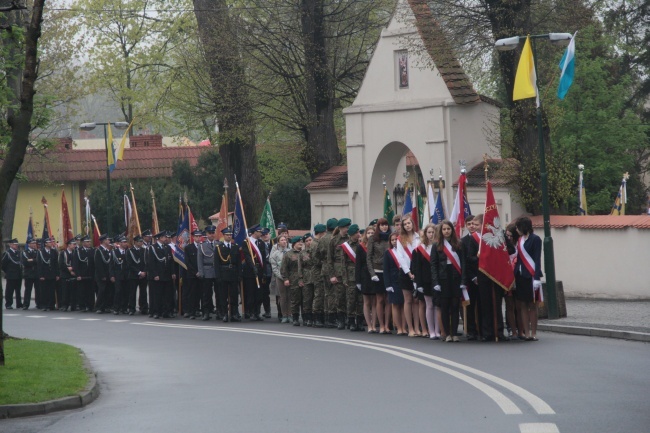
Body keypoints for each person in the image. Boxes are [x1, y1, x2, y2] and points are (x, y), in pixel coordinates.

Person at [431, 220, 466, 342]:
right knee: (445, 306)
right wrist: (435, 282)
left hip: (455, 277)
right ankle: (447, 334)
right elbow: (433, 265)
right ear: (441, 231)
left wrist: (463, 280)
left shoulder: (459, 244)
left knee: (455, 305)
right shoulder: (436, 245)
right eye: (444, 229)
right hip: (443, 278)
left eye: (448, 229)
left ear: (452, 230)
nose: (446, 231)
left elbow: (463, 263)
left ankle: (455, 333)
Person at [514, 216, 542, 341]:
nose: (516, 229)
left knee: (532, 304)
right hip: (520, 276)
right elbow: (519, 259)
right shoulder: (519, 240)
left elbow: (537, 259)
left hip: (531, 276)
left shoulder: (535, 239)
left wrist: (536, 277)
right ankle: (526, 332)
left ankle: (534, 333)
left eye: (518, 227)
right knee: (523, 305)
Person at [414, 223, 440, 339]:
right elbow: (417, 267)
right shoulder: (420, 249)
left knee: (437, 305)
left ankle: (437, 330)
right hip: (425, 280)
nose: (431, 234)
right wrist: (418, 283)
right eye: (429, 232)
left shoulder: (440, 246)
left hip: (437, 280)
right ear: (425, 234)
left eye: (433, 232)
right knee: (429, 305)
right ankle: (431, 331)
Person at [397, 216, 421, 337]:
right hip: (405, 272)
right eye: (405, 224)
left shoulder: (419, 237)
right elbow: (400, 257)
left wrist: (416, 271)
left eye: (409, 223)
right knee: (408, 300)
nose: (407, 225)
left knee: (417, 300)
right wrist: (408, 272)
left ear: (412, 224)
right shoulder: (400, 239)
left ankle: (417, 328)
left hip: (417, 270)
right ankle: (410, 328)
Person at [367, 218, 391, 334]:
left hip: (389, 272)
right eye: (382, 225)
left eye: (386, 225)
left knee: (388, 299)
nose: (384, 227)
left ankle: (387, 325)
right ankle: (381, 325)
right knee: (380, 299)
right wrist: (372, 273)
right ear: (378, 227)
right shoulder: (373, 239)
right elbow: (369, 258)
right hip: (377, 271)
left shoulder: (392, 237)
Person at [214, 226, 242, 322]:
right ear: (223, 236)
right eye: (227, 235)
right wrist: (218, 276)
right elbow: (216, 263)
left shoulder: (235, 247)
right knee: (223, 296)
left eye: (230, 235)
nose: (229, 236)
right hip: (223, 274)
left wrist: (239, 274)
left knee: (234, 295)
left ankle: (234, 314)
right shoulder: (218, 248)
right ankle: (225, 314)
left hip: (233, 273)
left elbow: (238, 262)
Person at [461, 214, 482, 340]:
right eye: (469, 224)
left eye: (473, 224)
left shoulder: (482, 238)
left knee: (481, 305)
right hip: (471, 277)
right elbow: (465, 261)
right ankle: (471, 330)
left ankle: (481, 330)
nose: (471, 226)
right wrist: (473, 277)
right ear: (466, 226)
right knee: (470, 305)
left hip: (483, 277)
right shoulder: (463, 241)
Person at [147, 231, 176, 319]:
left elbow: (170, 261)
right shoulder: (153, 248)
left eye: (165, 237)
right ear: (159, 238)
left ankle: (166, 311)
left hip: (167, 275)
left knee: (167, 295)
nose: (165, 238)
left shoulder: (167, 247)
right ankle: (156, 312)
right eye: (163, 237)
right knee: (157, 295)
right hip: (158, 275)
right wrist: (155, 274)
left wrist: (173, 272)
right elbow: (151, 263)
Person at [328, 218, 351, 330]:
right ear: (341, 228)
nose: (348, 229)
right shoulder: (334, 241)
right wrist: (332, 275)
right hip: (338, 273)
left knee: (350, 296)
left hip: (350, 272)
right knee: (340, 297)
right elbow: (329, 260)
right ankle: (341, 320)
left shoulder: (351, 239)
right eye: (346, 227)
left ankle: (350, 319)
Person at [341, 224, 363, 331]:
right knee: (351, 299)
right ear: (352, 234)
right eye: (357, 233)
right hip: (350, 276)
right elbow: (343, 264)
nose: (359, 235)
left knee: (360, 299)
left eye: (359, 233)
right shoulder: (346, 246)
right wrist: (344, 279)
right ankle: (351, 321)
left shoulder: (362, 244)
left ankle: (360, 321)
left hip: (361, 275)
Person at [316, 218, 337, 327]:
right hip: (335, 268)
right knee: (334, 293)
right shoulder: (335, 238)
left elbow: (317, 255)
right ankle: (333, 317)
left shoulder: (322, 239)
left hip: (324, 268)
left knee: (327, 293)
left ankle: (327, 316)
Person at [383, 232, 405, 334]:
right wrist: (387, 284)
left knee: (404, 304)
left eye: (396, 239)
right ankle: (399, 328)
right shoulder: (388, 253)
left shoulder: (404, 251)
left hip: (403, 279)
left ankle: (404, 327)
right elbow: (386, 270)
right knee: (396, 304)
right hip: (393, 281)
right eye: (392, 240)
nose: (395, 241)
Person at [241, 225, 264, 320]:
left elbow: (262, 257)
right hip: (249, 271)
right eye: (259, 231)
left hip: (259, 270)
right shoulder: (246, 242)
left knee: (258, 292)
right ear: (255, 232)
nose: (261, 233)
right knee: (250, 292)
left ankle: (257, 312)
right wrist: (253, 267)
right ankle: (249, 312)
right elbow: (247, 256)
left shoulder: (261, 243)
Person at [356, 225, 375, 333]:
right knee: (367, 301)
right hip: (364, 275)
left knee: (375, 302)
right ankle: (369, 325)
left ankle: (374, 324)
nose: (371, 235)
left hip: (375, 274)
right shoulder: (361, 246)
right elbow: (358, 264)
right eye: (369, 233)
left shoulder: (376, 245)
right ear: (365, 235)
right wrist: (358, 281)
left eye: (372, 233)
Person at [281, 236, 304, 326]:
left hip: (305, 278)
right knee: (295, 299)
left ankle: (306, 318)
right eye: (299, 242)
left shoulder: (304, 253)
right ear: (294, 243)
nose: (301, 244)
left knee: (305, 299)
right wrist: (285, 279)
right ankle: (295, 318)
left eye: (301, 242)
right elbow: (284, 268)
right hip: (293, 279)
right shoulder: (288, 254)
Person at [197, 225, 217, 320]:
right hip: (207, 270)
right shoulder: (202, 245)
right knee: (206, 294)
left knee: (220, 293)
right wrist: (201, 272)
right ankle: (206, 312)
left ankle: (220, 311)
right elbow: (199, 260)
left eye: (213, 233)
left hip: (217, 272)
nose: (212, 235)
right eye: (210, 233)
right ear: (206, 234)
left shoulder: (219, 244)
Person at [270, 234, 291, 322]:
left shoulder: (290, 252)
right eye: (282, 240)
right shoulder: (275, 254)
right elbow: (274, 267)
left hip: (290, 277)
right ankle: (284, 315)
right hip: (280, 278)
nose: (284, 241)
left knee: (290, 296)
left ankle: (290, 314)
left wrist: (289, 277)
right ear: (278, 243)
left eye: (285, 240)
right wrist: (282, 277)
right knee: (283, 297)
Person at [309, 224, 327, 327]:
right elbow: (315, 260)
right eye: (324, 232)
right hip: (317, 272)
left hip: (318, 272)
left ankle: (319, 316)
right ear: (320, 233)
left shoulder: (316, 243)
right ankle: (316, 317)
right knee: (318, 295)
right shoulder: (315, 244)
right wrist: (325, 262)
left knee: (320, 294)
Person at [182, 230, 202, 319]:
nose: (198, 238)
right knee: (191, 293)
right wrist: (195, 272)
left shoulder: (203, 246)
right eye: (196, 236)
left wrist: (201, 272)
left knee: (199, 293)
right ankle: (191, 311)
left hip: (201, 274)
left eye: (199, 236)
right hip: (192, 274)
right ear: (193, 237)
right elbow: (188, 262)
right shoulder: (188, 248)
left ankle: (197, 309)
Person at [37, 237, 59, 311]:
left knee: (51, 290)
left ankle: (51, 305)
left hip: (52, 274)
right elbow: (39, 265)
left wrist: (57, 274)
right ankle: (44, 305)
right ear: (45, 244)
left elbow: (56, 264)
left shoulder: (53, 252)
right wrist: (41, 275)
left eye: (51, 242)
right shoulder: (41, 252)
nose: (51, 243)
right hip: (44, 274)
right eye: (49, 242)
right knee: (44, 291)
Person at [299, 233, 315, 326]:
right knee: (307, 299)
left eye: (310, 240)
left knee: (316, 298)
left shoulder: (316, 250)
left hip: (316, 276)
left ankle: (316, 317)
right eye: (307, 241)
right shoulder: (302, 253)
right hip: (306, 277)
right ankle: (307, 318)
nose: (309, 242)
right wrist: (300, 279)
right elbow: (300, 267)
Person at [2, 238, 23, 310]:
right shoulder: (7, 253)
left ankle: (19, 303)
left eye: (17, 244)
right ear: (10, 245)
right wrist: (7, 271)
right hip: (11, 275)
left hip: (18, 274)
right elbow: (3, 264)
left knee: (18, 290)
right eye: (14, 244)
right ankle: (8, 304)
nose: (16, 246)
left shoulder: (18, 252)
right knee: (9, 290)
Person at [94, 234, 112, 314]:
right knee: (102, 291)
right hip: (101, 275)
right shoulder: (99, 251)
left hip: (108, 274)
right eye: (108, 240)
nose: (109, 241)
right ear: (104, 241)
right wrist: (103, 275)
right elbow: (98, 265)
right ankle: (99, 307)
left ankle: (107, 306)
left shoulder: (108, 250)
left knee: (108, 291)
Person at [58, 239, 77, 311]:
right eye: (73, 244)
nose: (74, 246)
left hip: (73, 274)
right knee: (65, 291)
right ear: (69, 245)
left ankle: (73, 306)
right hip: (65, 274)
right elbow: (61, 264)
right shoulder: (63, 253)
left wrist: (73, 270)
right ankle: (64, 305)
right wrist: (69, 270)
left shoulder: (75, 253)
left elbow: (77, 263)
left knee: (73, 291)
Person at [21, 238, 39, 310]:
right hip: (28, 274)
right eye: (32, 243)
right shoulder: (25, 252)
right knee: (28, 290)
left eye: (35, 243)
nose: (34, 244)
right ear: (29, 244)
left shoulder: (37, 252)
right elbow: (25, 262)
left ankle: (38, 303)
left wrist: (32, 260)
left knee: (37, 290)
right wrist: (33, 261)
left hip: (36, 273)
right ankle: (26, 304)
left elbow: (38, 261)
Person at [260, 228, 273, 318]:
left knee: (278, 293)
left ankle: (281, 313)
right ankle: (267, 310)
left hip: (274, 270)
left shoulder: (274, 244)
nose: (265, 236)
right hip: (265, 271)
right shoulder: (259, 245)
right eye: (263, 234)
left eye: (267, 234)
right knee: (265, 292)